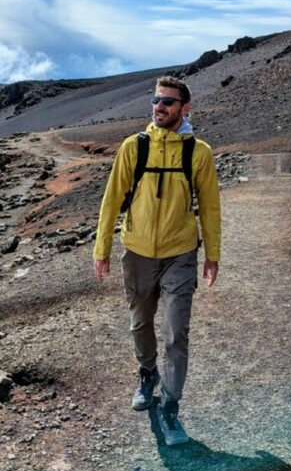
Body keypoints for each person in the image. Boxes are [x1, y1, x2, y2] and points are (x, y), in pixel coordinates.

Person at [94, 75, 221, 446]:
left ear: (185, 108)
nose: (159, 107)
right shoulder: (134, 148)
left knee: (176, 332)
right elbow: (111, 200)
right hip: (136, 253)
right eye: (155, 100)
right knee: (140, 323)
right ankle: (147, 373)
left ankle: (170, 407)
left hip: (180, 254)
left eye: (168, 101)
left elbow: (210, 209)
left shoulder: (199, 153)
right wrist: (101, 249)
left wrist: (212, 255)